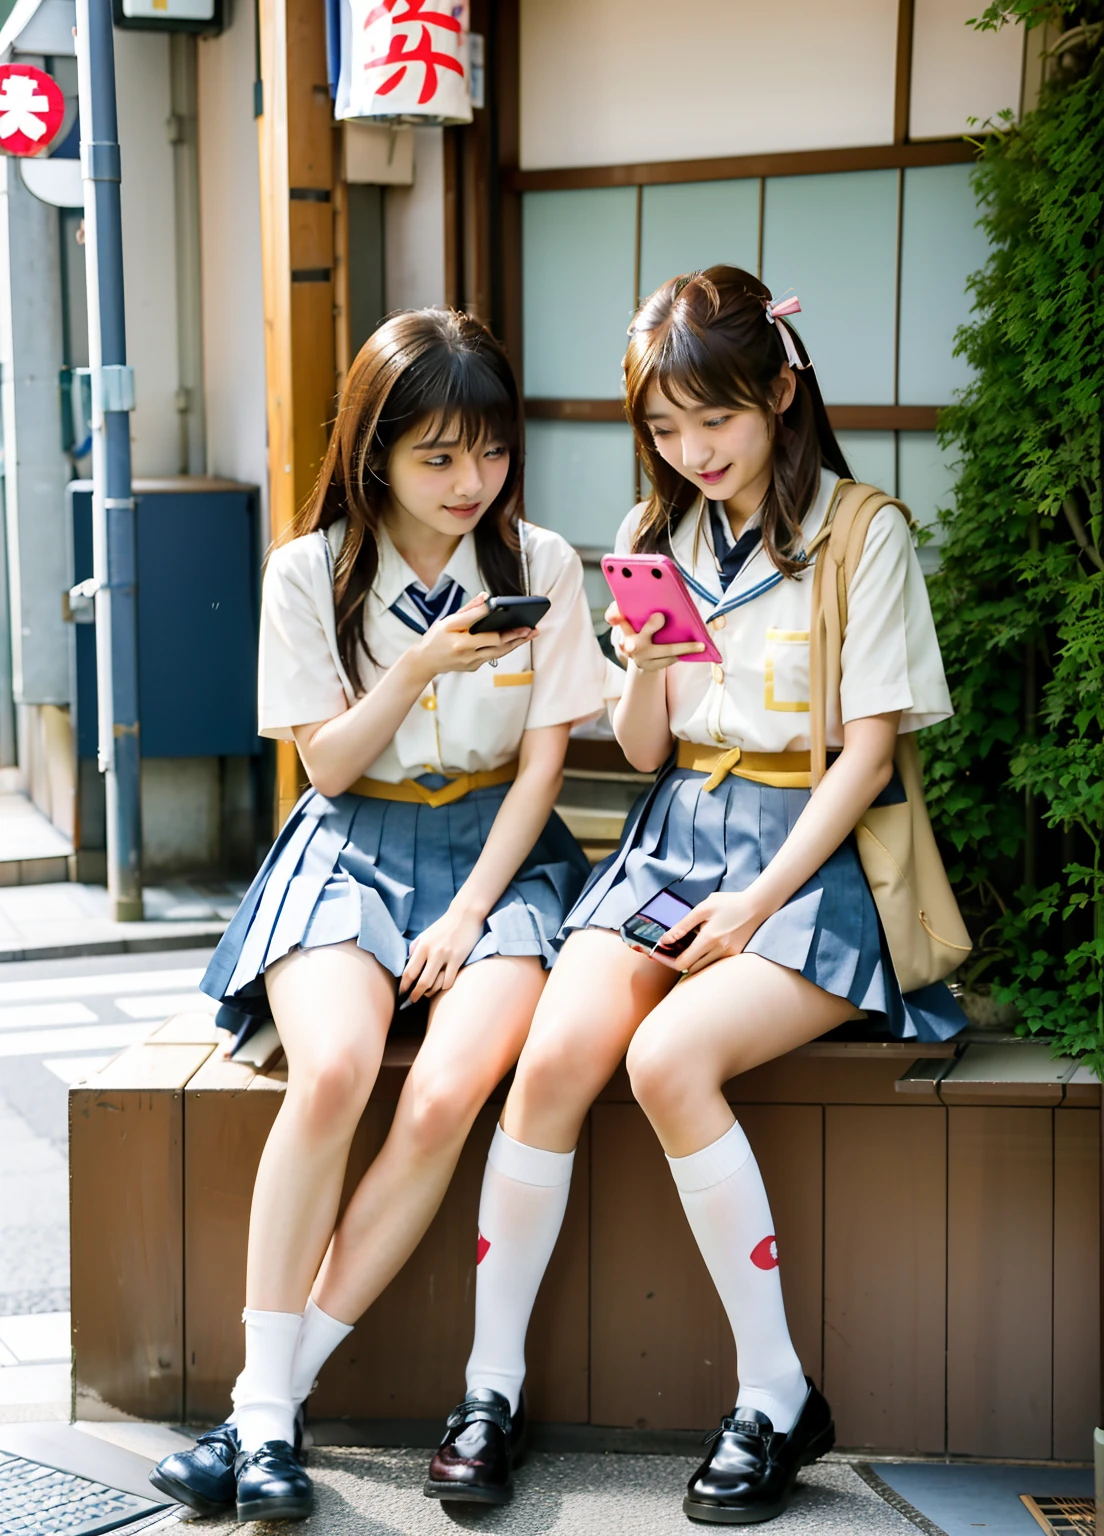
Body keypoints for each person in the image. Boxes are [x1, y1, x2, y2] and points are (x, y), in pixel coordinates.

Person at [426, 267, 966, 1524]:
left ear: (781, 390)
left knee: (667, 1060)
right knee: (554, 1058)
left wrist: (755, 904)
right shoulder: (649, 538)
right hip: (676, 842)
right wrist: (641, 669)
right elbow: (650, 751)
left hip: (814, 861)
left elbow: (871, 753)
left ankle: (776, 1394)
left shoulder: (861, 531)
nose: (692, 451)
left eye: (713, 420)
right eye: (665, 428)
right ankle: (487, 1390)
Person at [149, 308, 607, 1523]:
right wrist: (414, 668)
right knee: (338, 1070)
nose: (473, 483)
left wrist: (467, 913)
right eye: (439, 457)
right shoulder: (310, 572)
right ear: (376, 454)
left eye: (492, 451)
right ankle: (264, 1414)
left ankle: (262, 1413)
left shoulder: (545, 565)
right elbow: (333, 772)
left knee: (450, 1093)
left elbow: (544, 772)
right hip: (351, 844)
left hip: (502, 861)